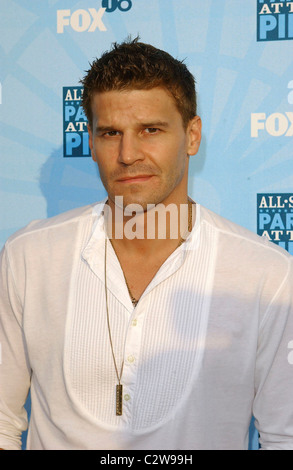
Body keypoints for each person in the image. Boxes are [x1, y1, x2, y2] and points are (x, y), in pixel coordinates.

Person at [0, 38, 293, 451]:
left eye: (150, 130)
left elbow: (285, 436)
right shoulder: (29, 257)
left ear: (192, 136)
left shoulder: (266, 274)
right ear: (91, 142)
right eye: (110, 133)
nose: (127, 154)